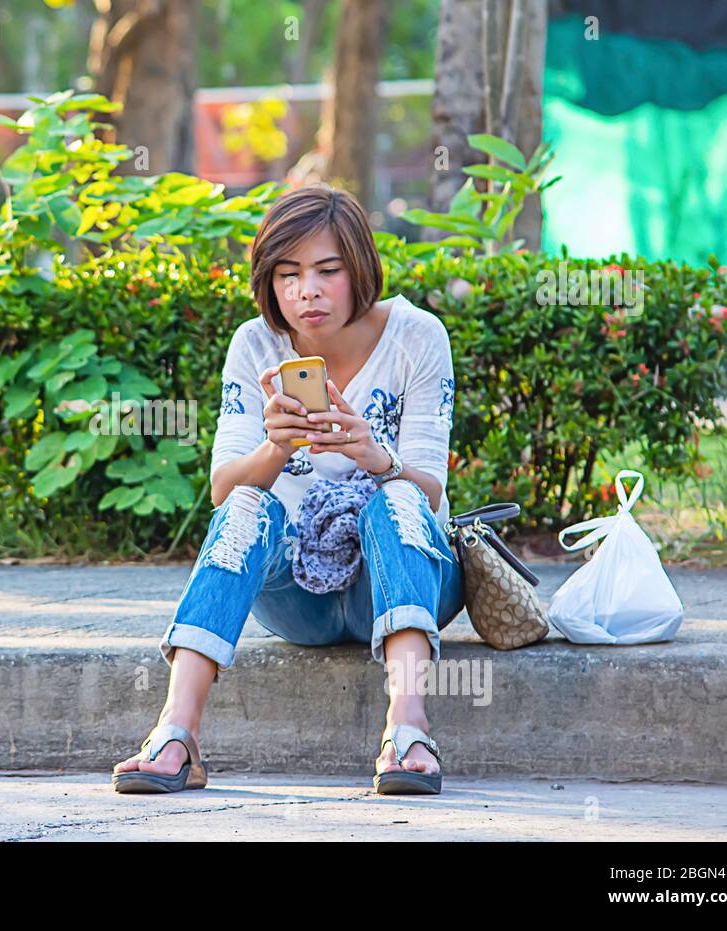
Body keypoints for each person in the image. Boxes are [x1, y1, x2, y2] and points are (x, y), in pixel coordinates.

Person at [112, 183, 465, 796]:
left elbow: (431, 490)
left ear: (359, 269)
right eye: (288, 274)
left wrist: (373, 455)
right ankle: (175, 733)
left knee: (399, 498)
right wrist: (277, 447)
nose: (308, 291)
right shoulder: (255, 345)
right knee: (250, 503)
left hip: (405, 578)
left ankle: (407, 727)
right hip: (296, 596)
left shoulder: (417, 336)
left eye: (328, 270)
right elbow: (223, 490)